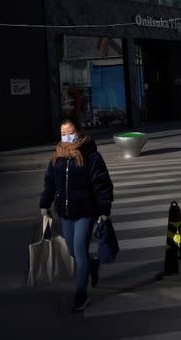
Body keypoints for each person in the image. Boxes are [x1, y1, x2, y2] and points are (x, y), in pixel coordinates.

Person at [39, 119, 114, 312]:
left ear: (79, 132)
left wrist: (104, 211)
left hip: (85, 212)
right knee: (72, 251)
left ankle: (81, 295)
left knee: (80, 250)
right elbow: (50, 183)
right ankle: (93, 265)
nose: (67, 137)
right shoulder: (57, 157)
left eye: (70, 132)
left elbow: (102, 184)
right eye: (63, 133)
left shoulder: (91, 156)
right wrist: (44, 205)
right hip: (65, 213)